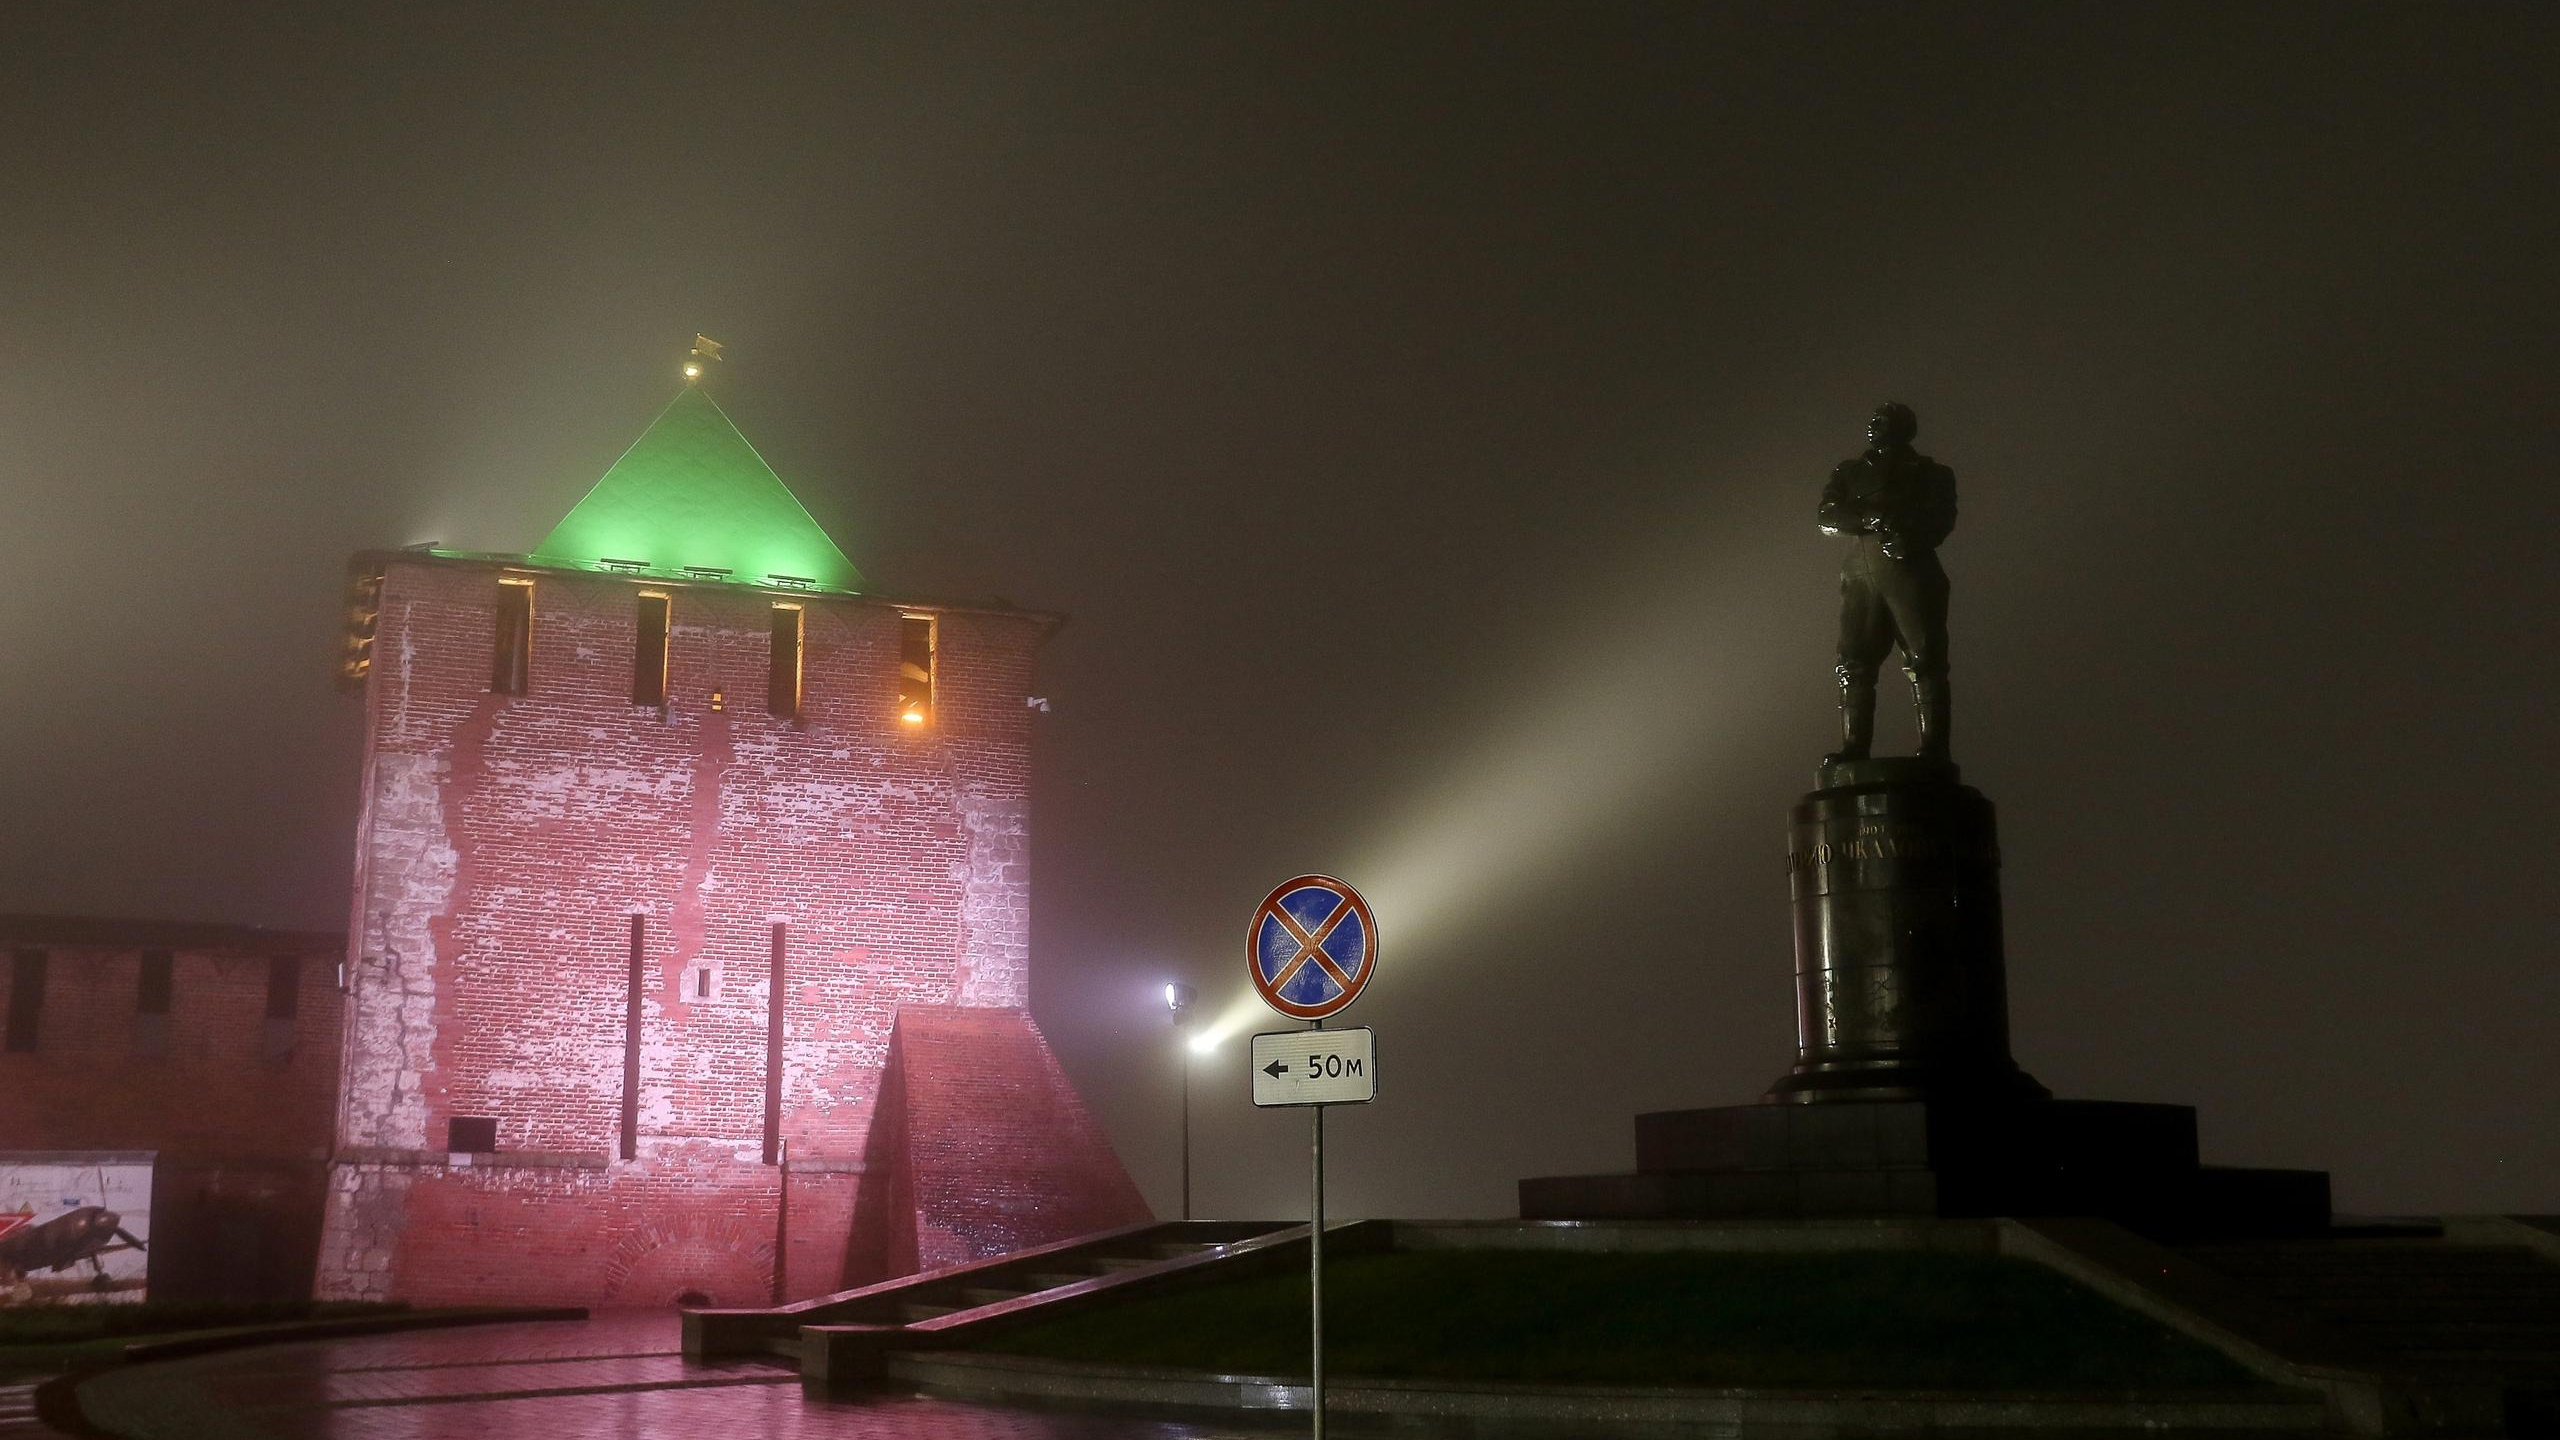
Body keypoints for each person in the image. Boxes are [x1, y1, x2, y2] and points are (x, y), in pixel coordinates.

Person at [1819, 402, 1956, 763]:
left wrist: (1909, 538)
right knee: (1853, 662)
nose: (1873, 426)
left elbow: (1941, 519)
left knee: (1926, 660)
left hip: (1912, 573)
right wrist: (1870, 515)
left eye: (1882, 422)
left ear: (1903, 429)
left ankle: (1934, 749)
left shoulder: (1933, 474)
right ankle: (1854, 747)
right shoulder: (1849, 472)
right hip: (1862, 576)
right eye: (1872, 421)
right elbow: (1827, 515)